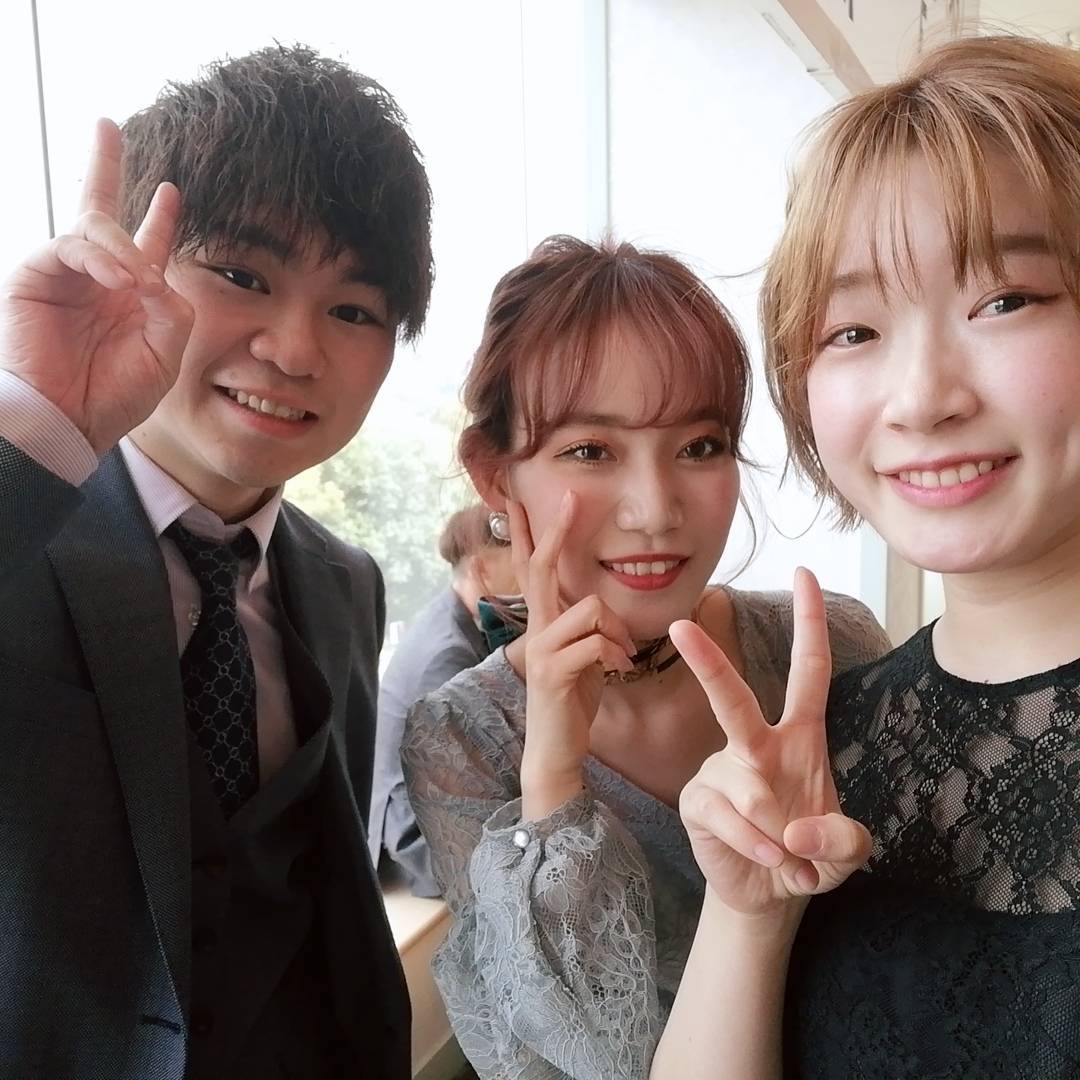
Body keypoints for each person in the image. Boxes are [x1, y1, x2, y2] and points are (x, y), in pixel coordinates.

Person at [651, 34, 1080, 1080]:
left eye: (1005, 300)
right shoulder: (828, 746)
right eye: (852, 331)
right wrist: (750, 914)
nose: (922, 398)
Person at [0, 45, 432, 1079]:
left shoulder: (347, 584)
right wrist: (39, 418)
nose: (294, 349)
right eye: (242, 276)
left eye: (353, 310)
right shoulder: (24, 524)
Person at [401, 235, 891, 1079]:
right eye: (591, 450)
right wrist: (552, 782)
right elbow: (578, 1060)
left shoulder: (825, 648)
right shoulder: (464, 738)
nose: (655, 510)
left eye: (699, 445)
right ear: (495, 477)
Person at [370, 502, 517, 896]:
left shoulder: (455, 621)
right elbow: (454, 787)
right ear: (482, 569)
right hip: (417, 842)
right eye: (522, 561)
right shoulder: (447, 654)